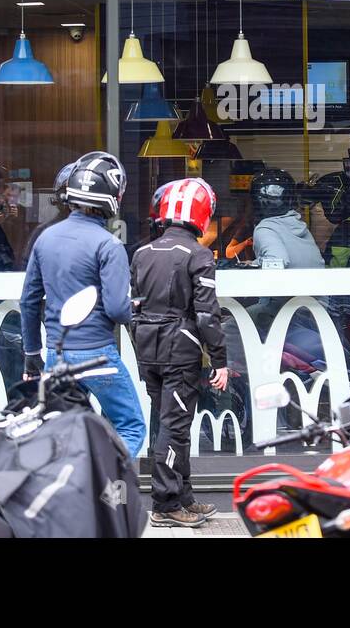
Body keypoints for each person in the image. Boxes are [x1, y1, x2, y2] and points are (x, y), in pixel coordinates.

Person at [20, 152, 145, 458]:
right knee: (130, 426)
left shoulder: (45, 238)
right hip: (97, 355)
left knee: (66, 432)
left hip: (56, 355)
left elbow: (28, 301)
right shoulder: (109, 245)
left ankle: (71, 486)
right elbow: (117, 309)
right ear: (112, 197)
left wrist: (31, 355)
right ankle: (99, 479)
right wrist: (137, 308)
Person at [130, 178, 229, 527]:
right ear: (202, 215)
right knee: (175, 426)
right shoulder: (199, 255)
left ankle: (183, 497)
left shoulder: (142, 253)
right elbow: (207, 314)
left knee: (169, 422)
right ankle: (166, 504)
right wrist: (220, 360)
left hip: (148, 350)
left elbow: (134, 308)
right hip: (181, 350)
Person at [249, 168, 323, 269]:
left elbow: (276, 263)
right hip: (316, 283)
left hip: (291, 284)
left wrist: (253, 264)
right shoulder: (298, 224)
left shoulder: (265, 229)